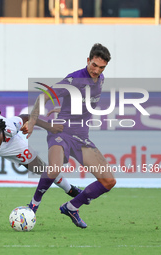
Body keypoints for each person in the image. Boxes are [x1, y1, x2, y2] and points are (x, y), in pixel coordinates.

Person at [27, 43, 116, 228]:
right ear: (88, 60)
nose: (97, 70)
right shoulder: (73, 79)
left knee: (109, 181)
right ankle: (33, 205)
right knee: (54, 167)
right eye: (94, 65)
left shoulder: (100, 79)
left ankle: (72, 207)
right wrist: (33, 121)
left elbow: (83, 103)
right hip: (62, 132)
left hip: (82, 137)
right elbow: (43, 96)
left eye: (101, 68)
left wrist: (63, 107)